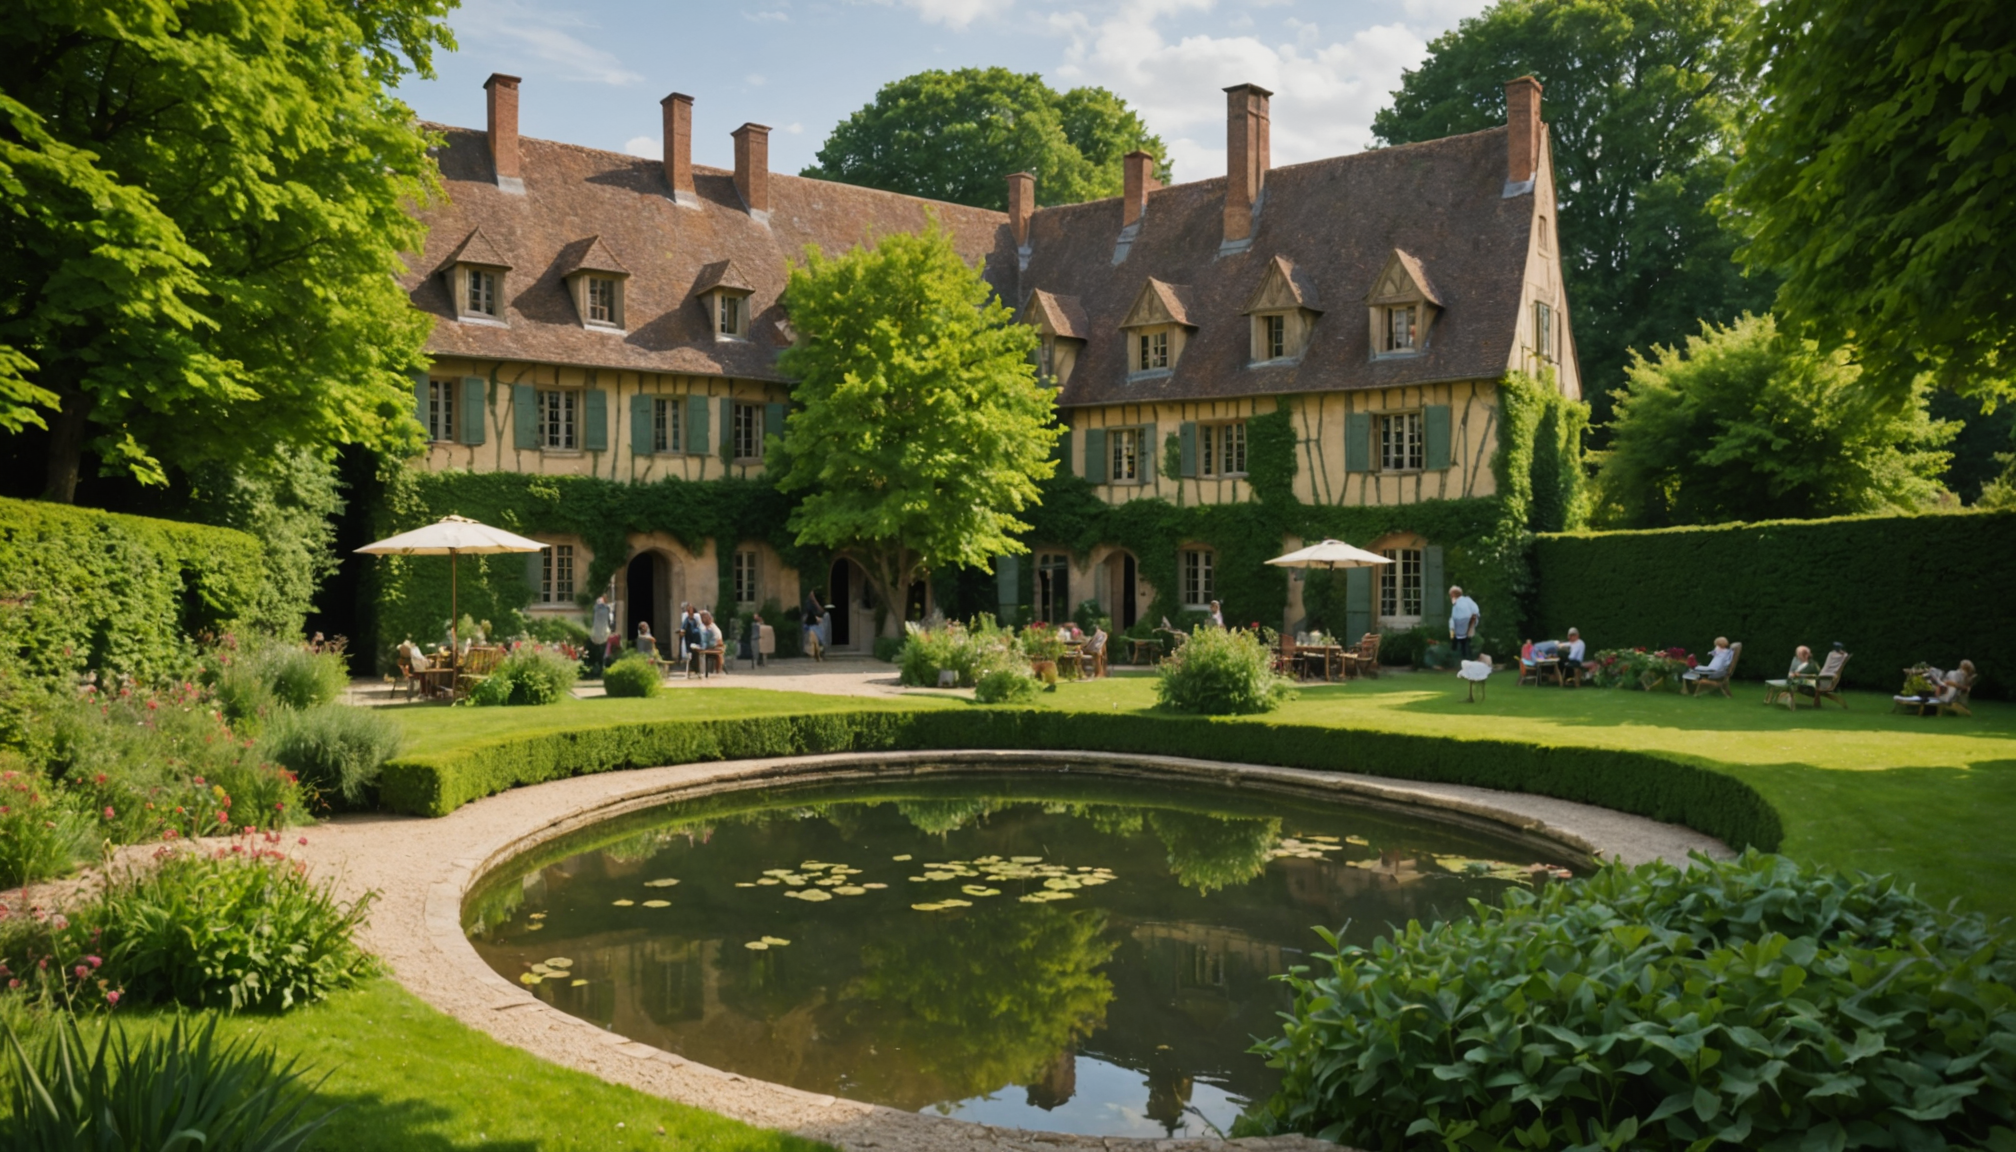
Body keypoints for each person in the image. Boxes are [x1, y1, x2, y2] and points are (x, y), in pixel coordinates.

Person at [1447, 586, 1480, 662]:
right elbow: (1453, 617)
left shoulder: (1465, 601)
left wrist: (1472, 621)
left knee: (1464, 642)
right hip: (1461, 627)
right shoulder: (1459, 602)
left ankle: (1466, 659)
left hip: (1466, 624)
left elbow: (1475, 612)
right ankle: (1463, 659)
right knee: (1462, 643)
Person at [589, 595, 612, 677]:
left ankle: (597, 667)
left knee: (597, 651)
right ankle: (602, 666)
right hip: (604, 633)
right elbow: (609, 621)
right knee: (604, 651)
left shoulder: (595, 609)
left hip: (596, 633)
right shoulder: (607, 608)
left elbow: (593, 620)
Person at [802, 589, 826, 661]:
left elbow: (821, 611)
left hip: (815, 624)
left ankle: (819, 654)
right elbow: (809, 616)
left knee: (819, 640)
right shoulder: (808, 604)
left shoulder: (814, 603)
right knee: (815, 640)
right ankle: (816, 654)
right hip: (811, 625)